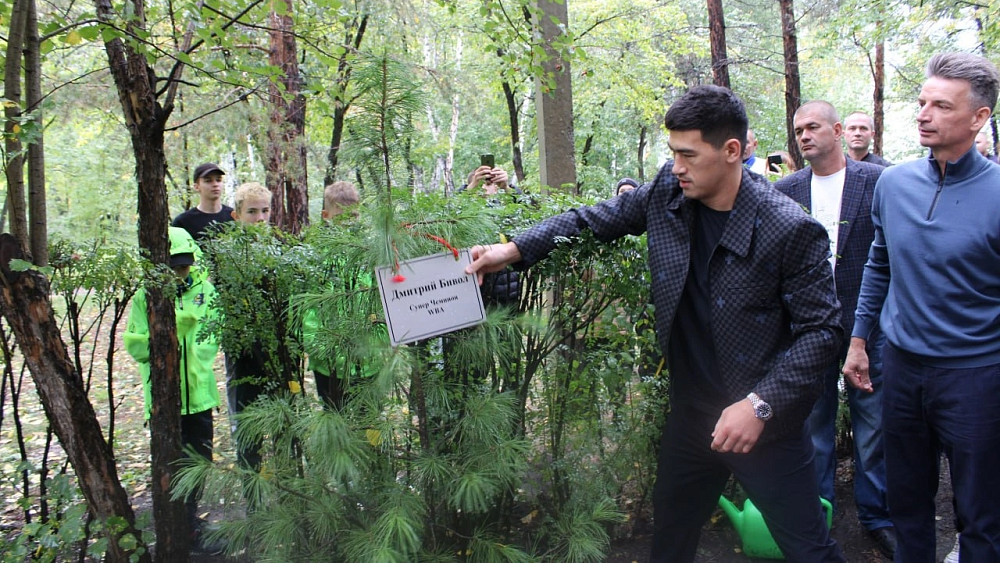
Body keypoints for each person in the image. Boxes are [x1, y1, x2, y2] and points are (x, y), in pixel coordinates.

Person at [466, 85, 845, 563]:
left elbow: (822, 331)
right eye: (673, 153)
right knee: (672, 534)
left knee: (809, 549)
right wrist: (511, 250)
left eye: (688, 154)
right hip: (692, 416)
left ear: (731, 151)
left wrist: (760, 405)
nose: (677, 166)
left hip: (762, 424)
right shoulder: (670, 190)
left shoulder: (788, 228)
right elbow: (592, 220)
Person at [844, 52, 1000, 562]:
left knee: (980, 513)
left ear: (979, 117)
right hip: (902, 370)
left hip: (977, 376)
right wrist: (859, 340)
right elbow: (879, 264)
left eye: (941, 106)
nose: (923, 115)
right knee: (906, 501)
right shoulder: (893, 184)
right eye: (922, 102)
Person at [774, 100, 895, 558]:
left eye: (813, 127)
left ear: (838, 130)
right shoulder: (786, 190)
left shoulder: (878, 181)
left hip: (869, 325)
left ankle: (876, 516)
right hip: (808, 327)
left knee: (873, 425)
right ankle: (818, 514)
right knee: (814, 426)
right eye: (798, 130)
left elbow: (889, 253)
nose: (805, 136)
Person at [123, 227, 225, 555]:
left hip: (200, 396)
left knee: (198, 463)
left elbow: (212, 336)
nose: (180, 272)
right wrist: (172, 331)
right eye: (173, 266)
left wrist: (194, 354)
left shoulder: (205, 290)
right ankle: (174, 529)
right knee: (170, 466)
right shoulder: (145, 296)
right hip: (164, 402)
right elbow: (135, 346)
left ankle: (191, 524)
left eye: (184, 265)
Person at [172, 163, 235, 242]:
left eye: (218, 180)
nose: (215, 184)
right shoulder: (183, 222)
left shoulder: (234, 216)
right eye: (208, 181)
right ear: (196, 187)